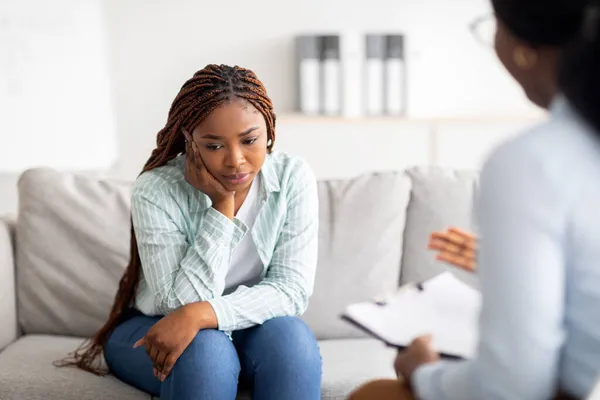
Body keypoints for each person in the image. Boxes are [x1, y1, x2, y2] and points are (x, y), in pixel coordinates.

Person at [349, 0, 600, 398]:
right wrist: (508, 265)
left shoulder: (531, 162)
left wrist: (423, 373)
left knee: (372, 395)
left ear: (522, 47)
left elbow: (513, 385)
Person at [55, 64, 322, 400]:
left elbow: (291, 289)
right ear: (189, 142)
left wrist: (204, 314)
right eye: (213, 146)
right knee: (206, 350)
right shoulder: (155, 189)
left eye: (250, 140)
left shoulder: (292, 177)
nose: (235, 160)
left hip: (250, 327)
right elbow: (178, 305)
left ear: (269, 130)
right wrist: (221, 207)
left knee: (291, 339)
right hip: (158, 326)